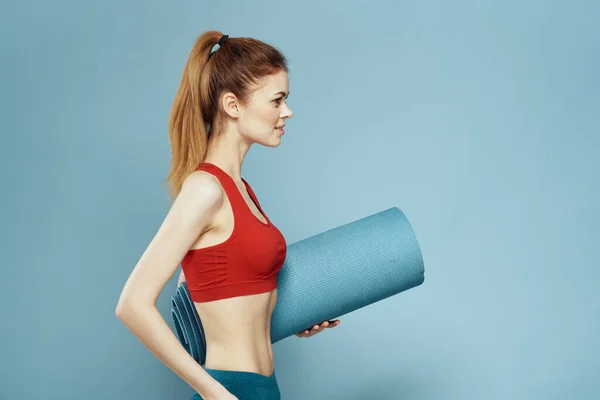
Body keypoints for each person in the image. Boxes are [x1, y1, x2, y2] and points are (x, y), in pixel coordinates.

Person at [115, 31, 340, 400]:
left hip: (264, 388)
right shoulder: (205, 190)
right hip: (230, 390)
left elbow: (235, 299)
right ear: (233, 105)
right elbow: (132, 304)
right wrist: (215, 393)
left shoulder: (242, 190)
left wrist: (302, 316)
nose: (287, 112)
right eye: (277, 100)